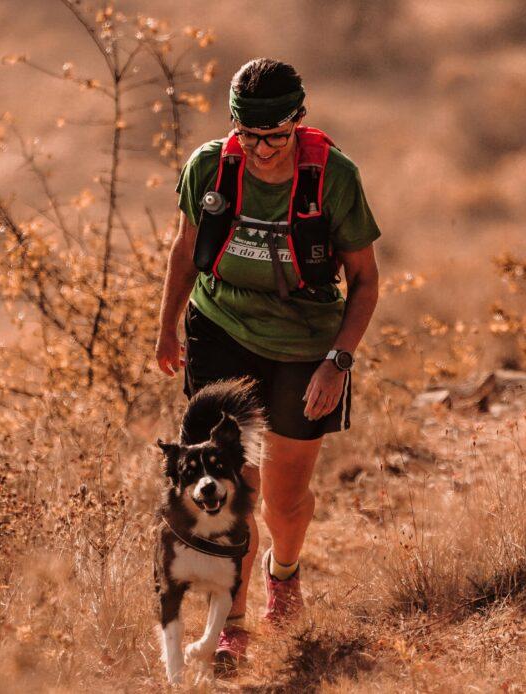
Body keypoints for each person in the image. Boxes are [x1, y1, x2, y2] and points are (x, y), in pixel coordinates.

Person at [155, 57, 381, 671]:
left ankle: (284, 574)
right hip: (222, 328)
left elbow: (364, 281)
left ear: (298, 122)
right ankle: (231, 624)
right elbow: (184, 248)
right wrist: (167, 325)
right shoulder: (210, 165)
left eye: (276, 137)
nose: (260, 150)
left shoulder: (334, 177)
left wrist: (338, 361)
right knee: (231, 492)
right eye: (249, 135)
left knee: (284, 500)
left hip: (306, 342)